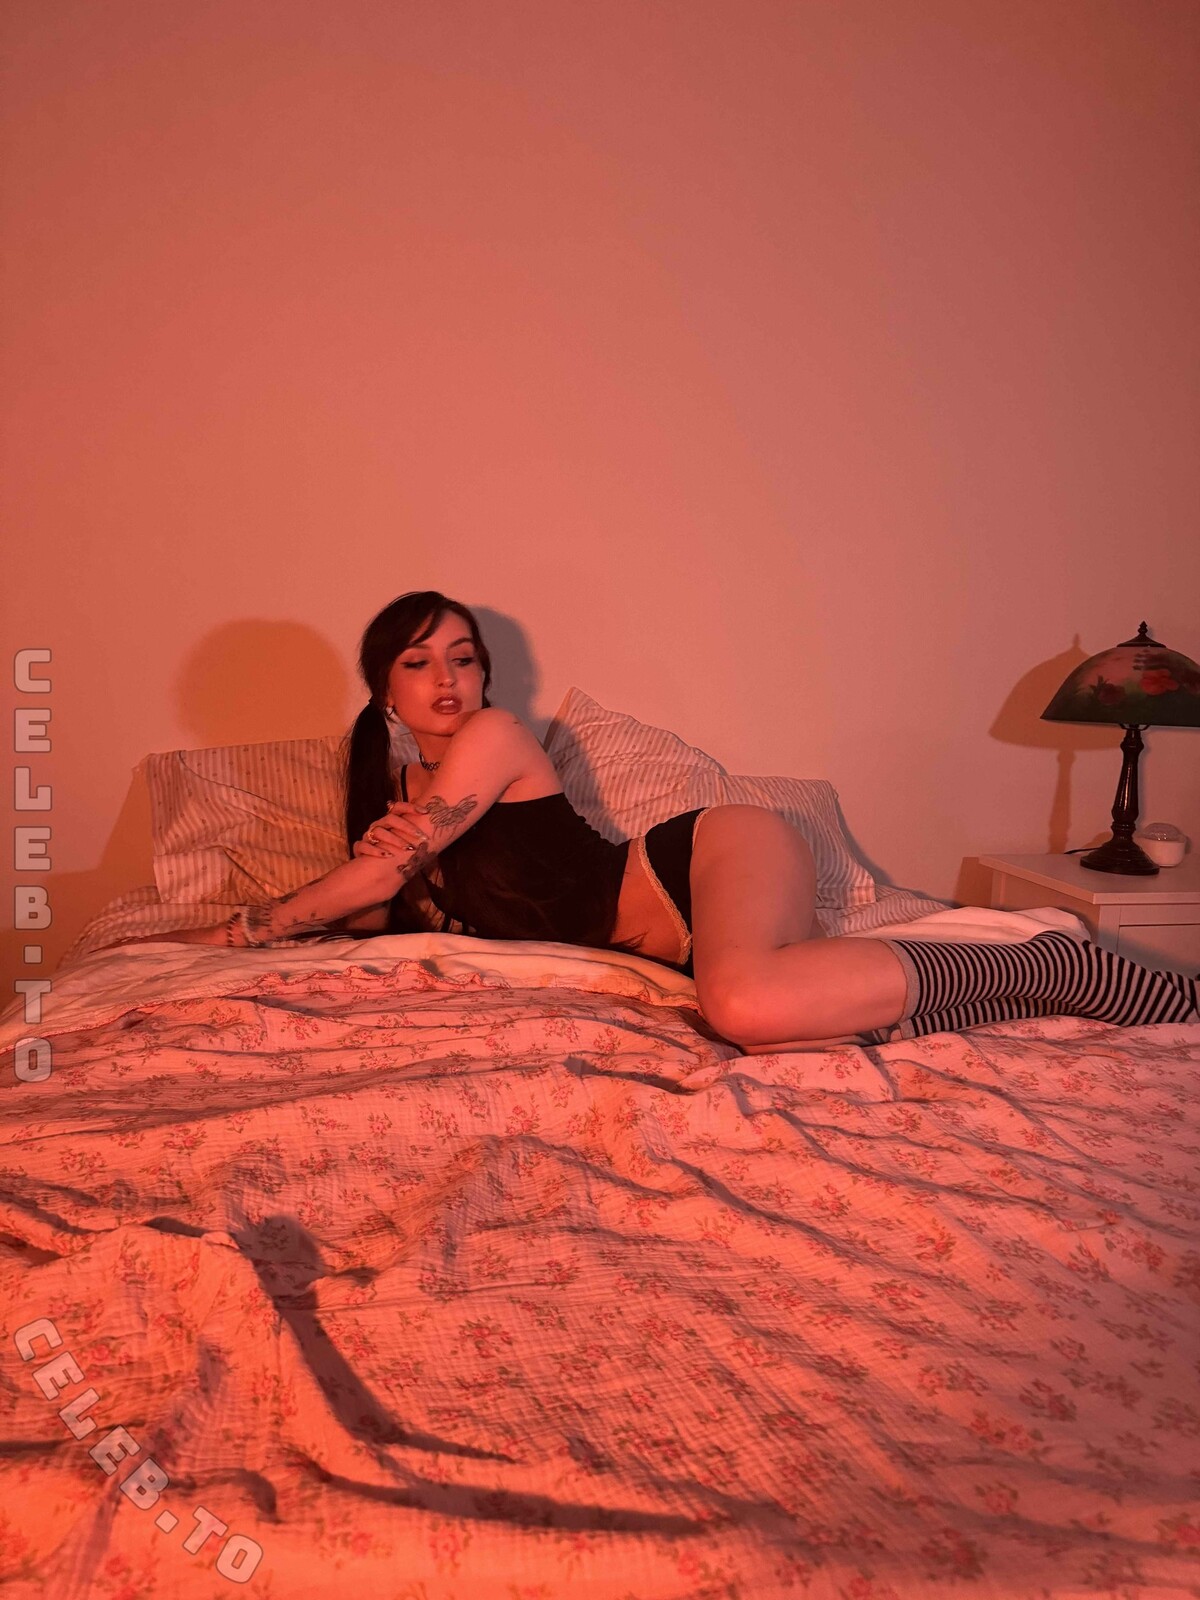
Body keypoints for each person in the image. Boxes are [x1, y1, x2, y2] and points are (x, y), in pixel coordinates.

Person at [161, 591, 1199, 1052]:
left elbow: (374, 885)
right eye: (419, 661)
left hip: (702, 857)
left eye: (464, 657)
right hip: (686, 940)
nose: (448, 679)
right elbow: (368, 911)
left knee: (741, 1007)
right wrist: (361, 879)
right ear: (385, 692)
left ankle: (1054, 961)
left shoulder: (492, 738)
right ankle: (1021, 985)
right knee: (780, 1032)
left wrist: (233, 933)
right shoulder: (403, 801)